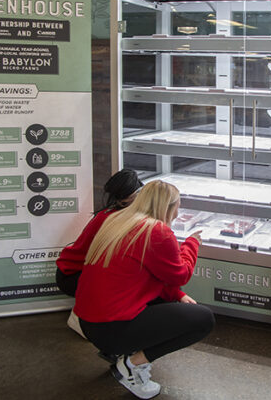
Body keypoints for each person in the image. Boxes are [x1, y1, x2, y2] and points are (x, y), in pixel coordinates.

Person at [74, 179, 215, 399]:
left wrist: (177, 295)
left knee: (176, 304)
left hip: (90, 323)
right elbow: (181, 274)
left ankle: (121, 351)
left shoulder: (117, 220)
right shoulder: (156, 231)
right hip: (112, 328)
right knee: (203, 319)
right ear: (167, 207)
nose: (178, 214)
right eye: (178, 207)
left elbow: (141, 275)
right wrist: (191, 243)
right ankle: (132, 365)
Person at [56, 168, 144, 336]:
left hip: (75, 270)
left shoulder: (113, 213)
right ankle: (81, 317)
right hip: (72, 275)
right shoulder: (112, 220)